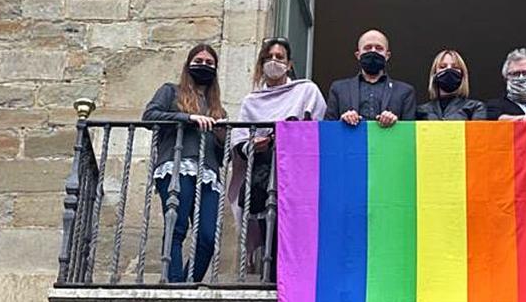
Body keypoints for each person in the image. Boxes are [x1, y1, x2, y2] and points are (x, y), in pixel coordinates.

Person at [229, 37, 327, 279]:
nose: (274, 61)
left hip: (297, 172)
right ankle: (272, 277)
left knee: (295, 232)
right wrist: (254, 145)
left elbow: (318, 129)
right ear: (262, 64)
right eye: (269, 57)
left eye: (279, 57)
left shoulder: (306, 91)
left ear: (289, 64)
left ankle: (293, 278)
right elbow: (239, 142)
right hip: (263, 175)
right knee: (269, 230)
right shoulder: (251, 102)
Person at [142, 43, 227, 284]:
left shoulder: (218, 109)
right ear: (188, 65)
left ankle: (187, 284)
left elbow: (221, 157)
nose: (204, 66)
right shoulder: (171, 91)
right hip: (176, 166)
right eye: (199, 61)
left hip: (208, 173)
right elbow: (149, 117)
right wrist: (188, 118)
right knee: (177, 228)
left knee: (208, 238)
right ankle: (175, 284)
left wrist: (221, 139)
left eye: (209, 63)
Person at [324, 29, 417, 127]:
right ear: (358, 55)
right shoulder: (339, 89)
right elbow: (327, 128)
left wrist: (396, 123)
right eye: (367, 48)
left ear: (387, 55)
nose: (373, 51)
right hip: (350, 142)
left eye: (379, 48)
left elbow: (411, 133)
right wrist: (342, 121)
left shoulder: (405, 91)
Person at [416, 49, 486, 120]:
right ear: (434, 74)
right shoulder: (421, 110)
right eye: (443, 67)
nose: (449, 70)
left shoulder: (475, 107)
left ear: (463, 74)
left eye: (455, 67)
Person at [486, 47, 526, 120]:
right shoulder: (494, 107)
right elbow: (496, 121)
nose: (521, 78)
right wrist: (523, 120)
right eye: (515, 74)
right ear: (506, 78)